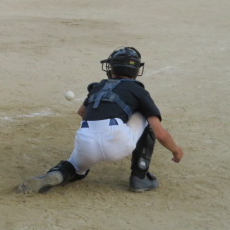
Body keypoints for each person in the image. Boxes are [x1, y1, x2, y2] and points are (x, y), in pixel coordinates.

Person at [17, 47, 183, 194]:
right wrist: (175, 150)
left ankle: (57, 174)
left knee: (76, 167)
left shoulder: (98, 86)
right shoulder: (138, 90)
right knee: (146, 116)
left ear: (112, 67)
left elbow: (82, 112)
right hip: (118, 139)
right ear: (136, 70)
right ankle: (139, 177)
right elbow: (160, 133)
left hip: (86, 138)